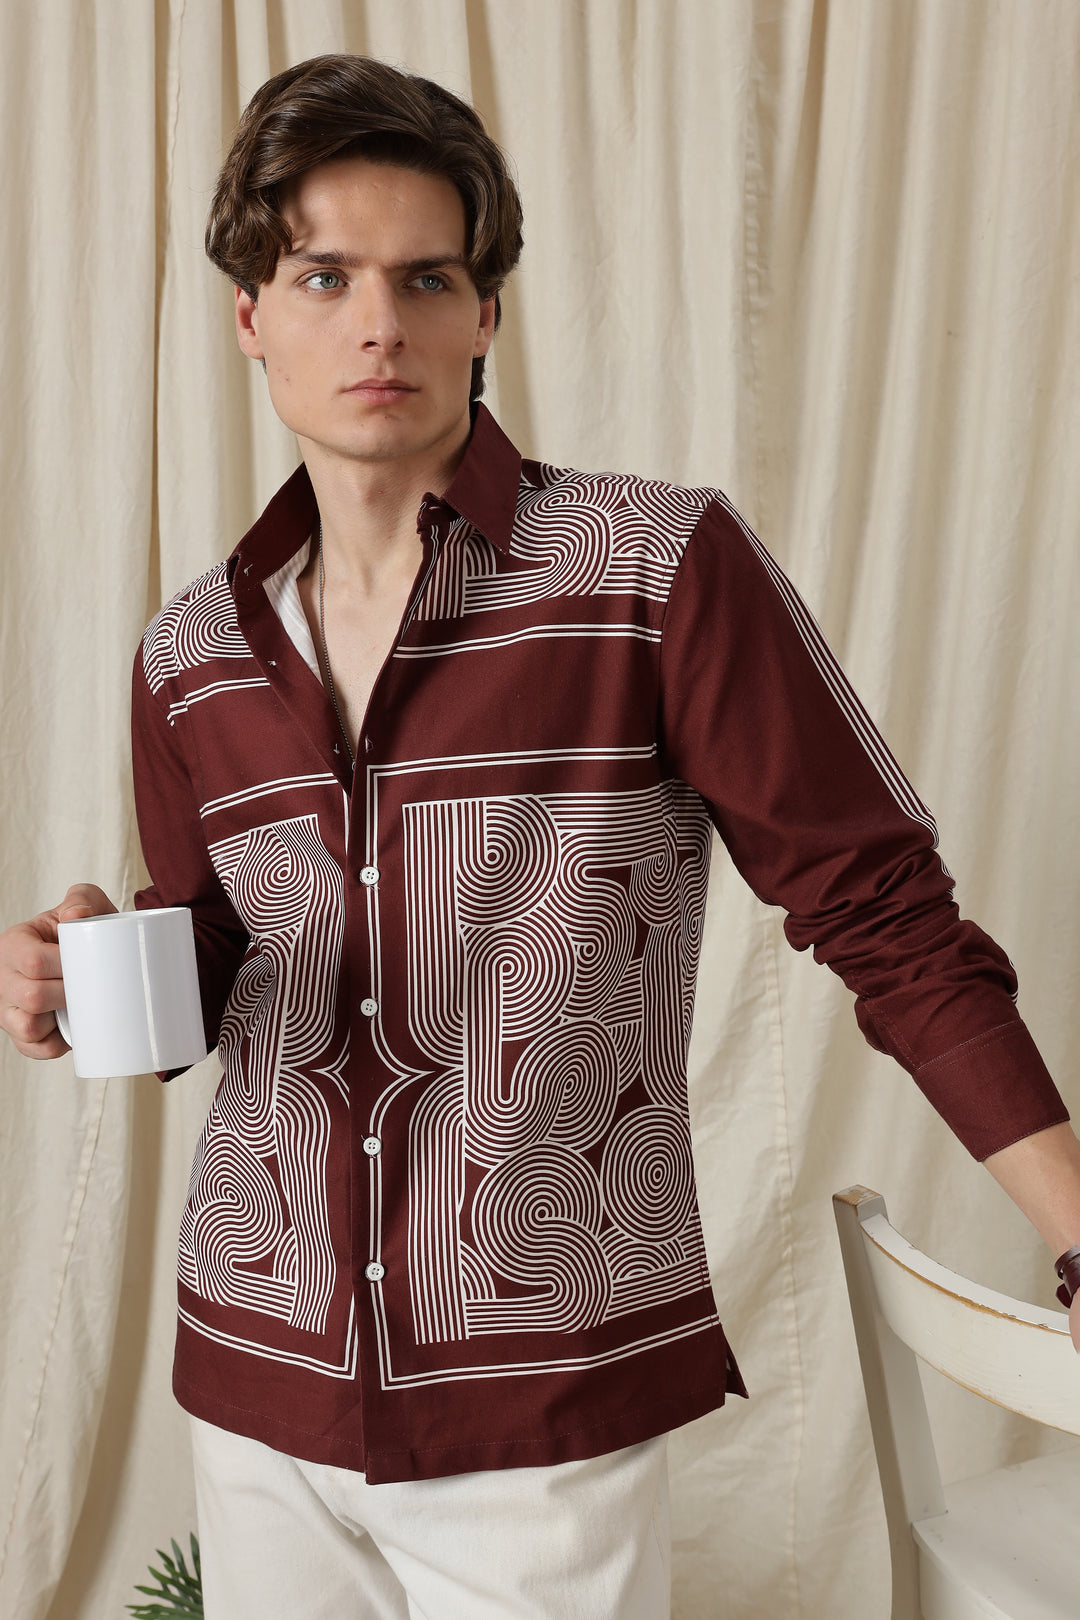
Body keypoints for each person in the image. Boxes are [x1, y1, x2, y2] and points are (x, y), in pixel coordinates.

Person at [1, 52, 1078, 1620]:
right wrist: (89, 967)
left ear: (486, 314)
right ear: (252, 316)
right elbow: (225, 952)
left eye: (426, 278)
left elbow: (883, 912)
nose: (378, 324)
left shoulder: (654, 569)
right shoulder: (191, 652)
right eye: (324, 277)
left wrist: (1074, 1231)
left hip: (536, 1399)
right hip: (259, 1375)